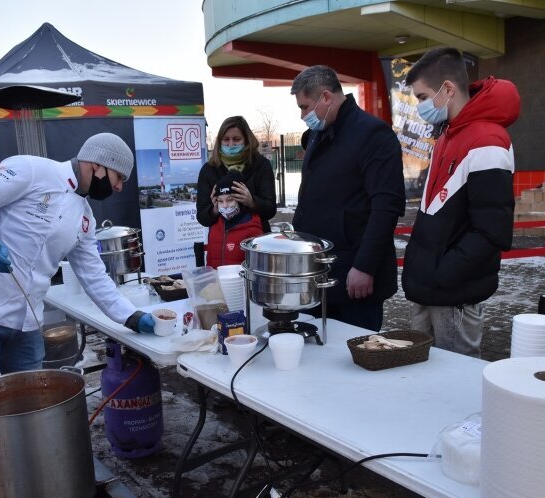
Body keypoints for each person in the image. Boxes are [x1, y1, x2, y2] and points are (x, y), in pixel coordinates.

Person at [0, 132, 156, 493]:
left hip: (25, 321)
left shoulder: (84, 218)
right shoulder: (32, 170)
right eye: (119, 179)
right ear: (99, 166)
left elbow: (93, 275)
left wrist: (131, 316)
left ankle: (22, 493)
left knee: (27, 413)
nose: (119, 189)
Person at [401, 47, 519, 358]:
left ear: (448, 89)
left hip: (452, 293)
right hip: (430, 287)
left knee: (456, 383)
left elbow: (492, 231)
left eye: (423, 97)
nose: (420, 107)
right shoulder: (448, 135)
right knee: (422, 374)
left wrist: (444, 275)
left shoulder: (487, 143)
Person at [290, 65, 405, 331]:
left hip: (354, 278)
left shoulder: (372, 134)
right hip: (320, 274)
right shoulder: (320, 134)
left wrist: (364, 266)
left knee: (354, 357)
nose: (302, 115)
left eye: (305, 106)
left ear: (326, 97)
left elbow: (386, 206)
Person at [196, 116, 276, 233]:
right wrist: (215, 209)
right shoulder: (209, 170)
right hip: (223, 241)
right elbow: (202, 217)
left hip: (255, 240)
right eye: (226, 139)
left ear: (246, 139)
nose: (231, 144)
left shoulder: (261, 165)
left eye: (236, 139)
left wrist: (252, 202)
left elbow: (271, 210)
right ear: (220, 141)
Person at [204, 171, 262, 269]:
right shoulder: (214, 226)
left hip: (239, 283)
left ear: (241, 199)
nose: (225, 205)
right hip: (216, 282)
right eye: (220, 201)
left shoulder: (253, 229)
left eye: (230, 200)